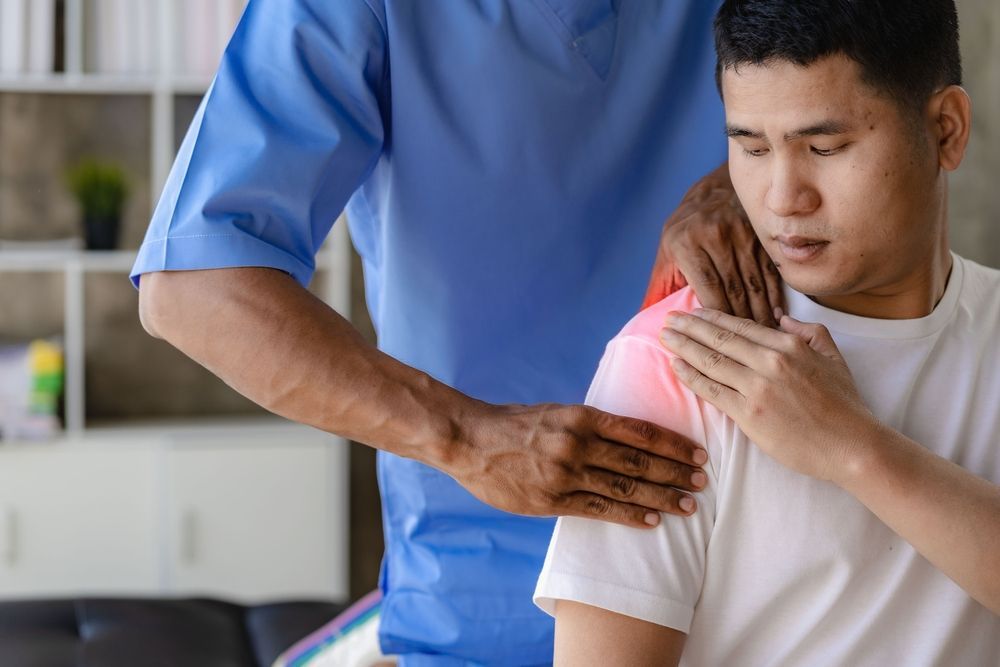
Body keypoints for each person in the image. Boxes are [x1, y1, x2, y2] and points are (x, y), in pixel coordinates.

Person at [130, 1, 782, 663]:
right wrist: (466, 436)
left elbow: (871, 96)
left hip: (774, 576)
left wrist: (753, 167)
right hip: (487, 593)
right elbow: (195, 285)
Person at [535, 0, 1000, 664]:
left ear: (947, 130)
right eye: (750, 146)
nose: (784, 197)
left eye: (825, 147)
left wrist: (853, 448)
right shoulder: (674, 365)